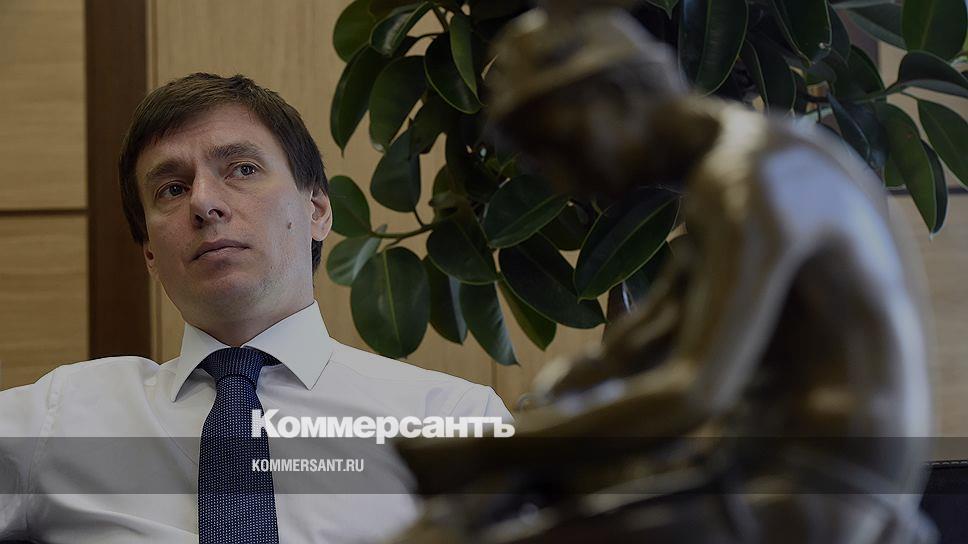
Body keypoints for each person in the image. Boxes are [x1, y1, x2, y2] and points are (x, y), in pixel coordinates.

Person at [0, 73, 512, 543]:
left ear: (317, 210)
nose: (204, 202)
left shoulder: (454, 422)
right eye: (172, 189)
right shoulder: (60, 418)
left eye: (242, 169)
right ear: (150, 253)